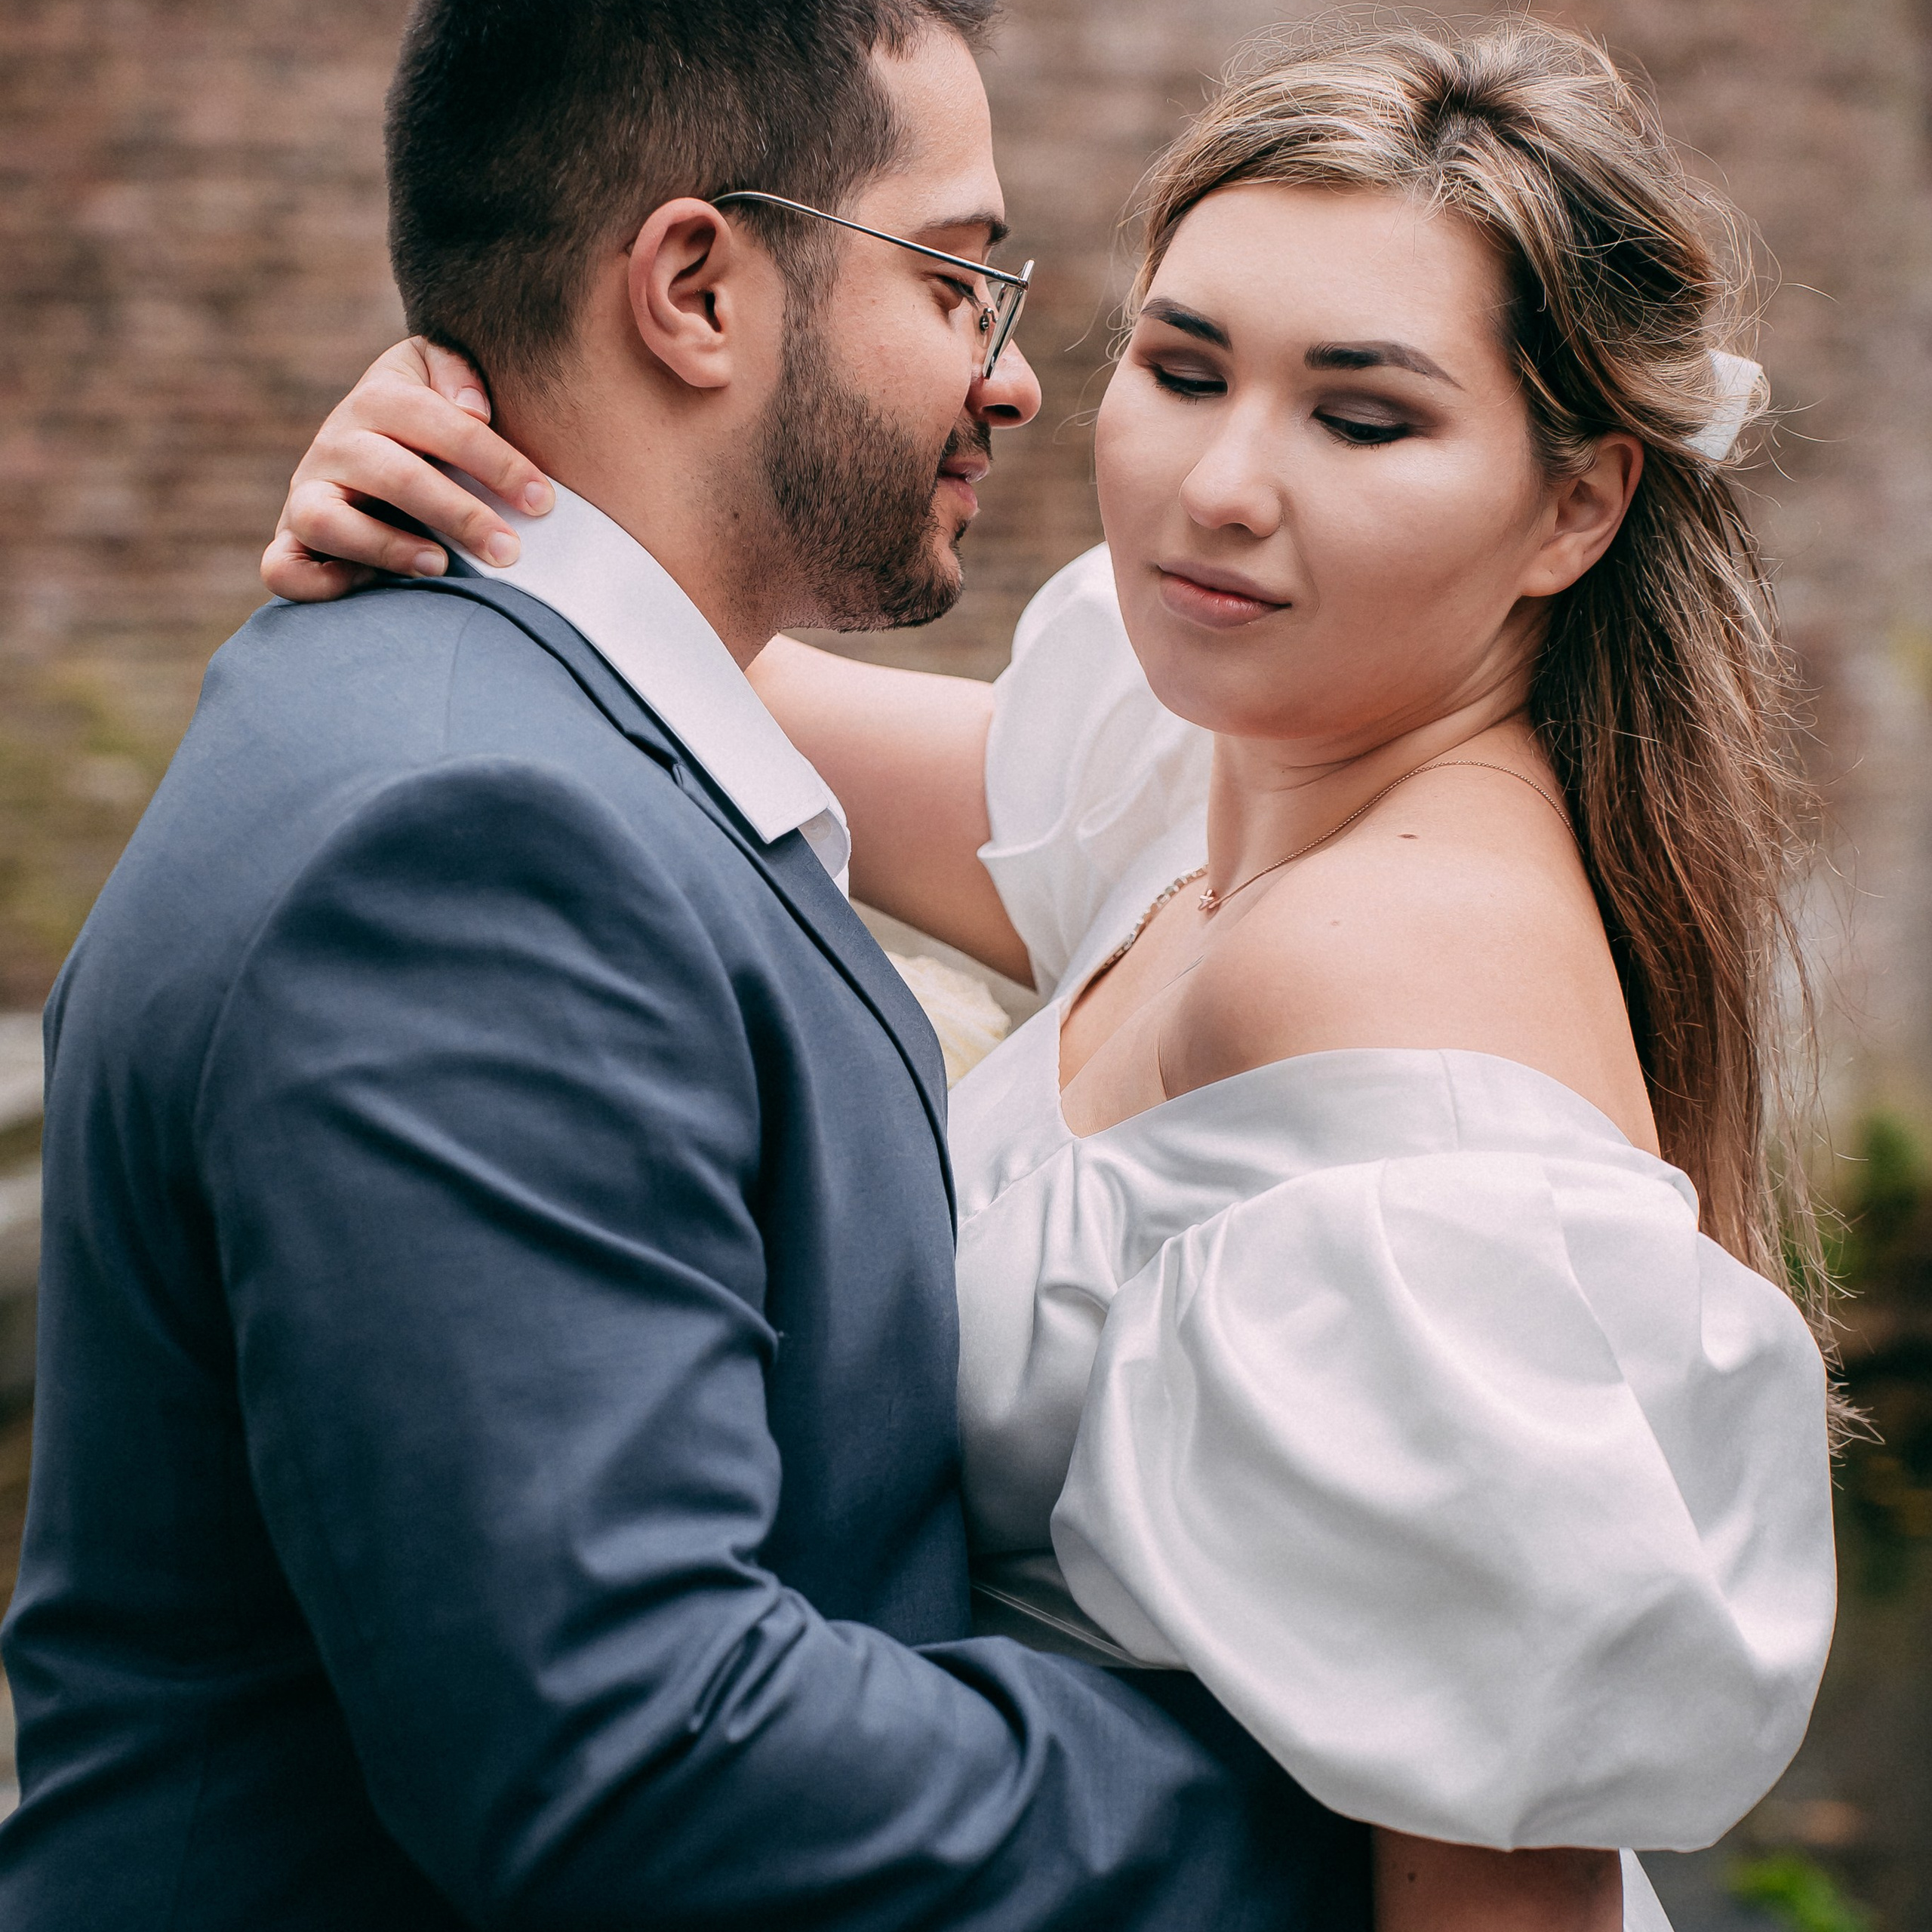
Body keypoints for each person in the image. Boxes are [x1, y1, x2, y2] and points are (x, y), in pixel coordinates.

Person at [269, 17, 1842, 1931]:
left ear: (1575, 505)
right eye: (1181, 370)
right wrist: (460, 463)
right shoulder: (1195, 765)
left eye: (1360, 417)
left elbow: (1496, 1882)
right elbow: (688, 653)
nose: (1219, 488)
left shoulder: (1392, 968)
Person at [0, 5, 1394, 1927]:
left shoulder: (526, 732)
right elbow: (635, 1749)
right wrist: (1347, 1811)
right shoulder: (472, 849)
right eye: (958, 276)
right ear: (694, 290)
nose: (1010, 380)